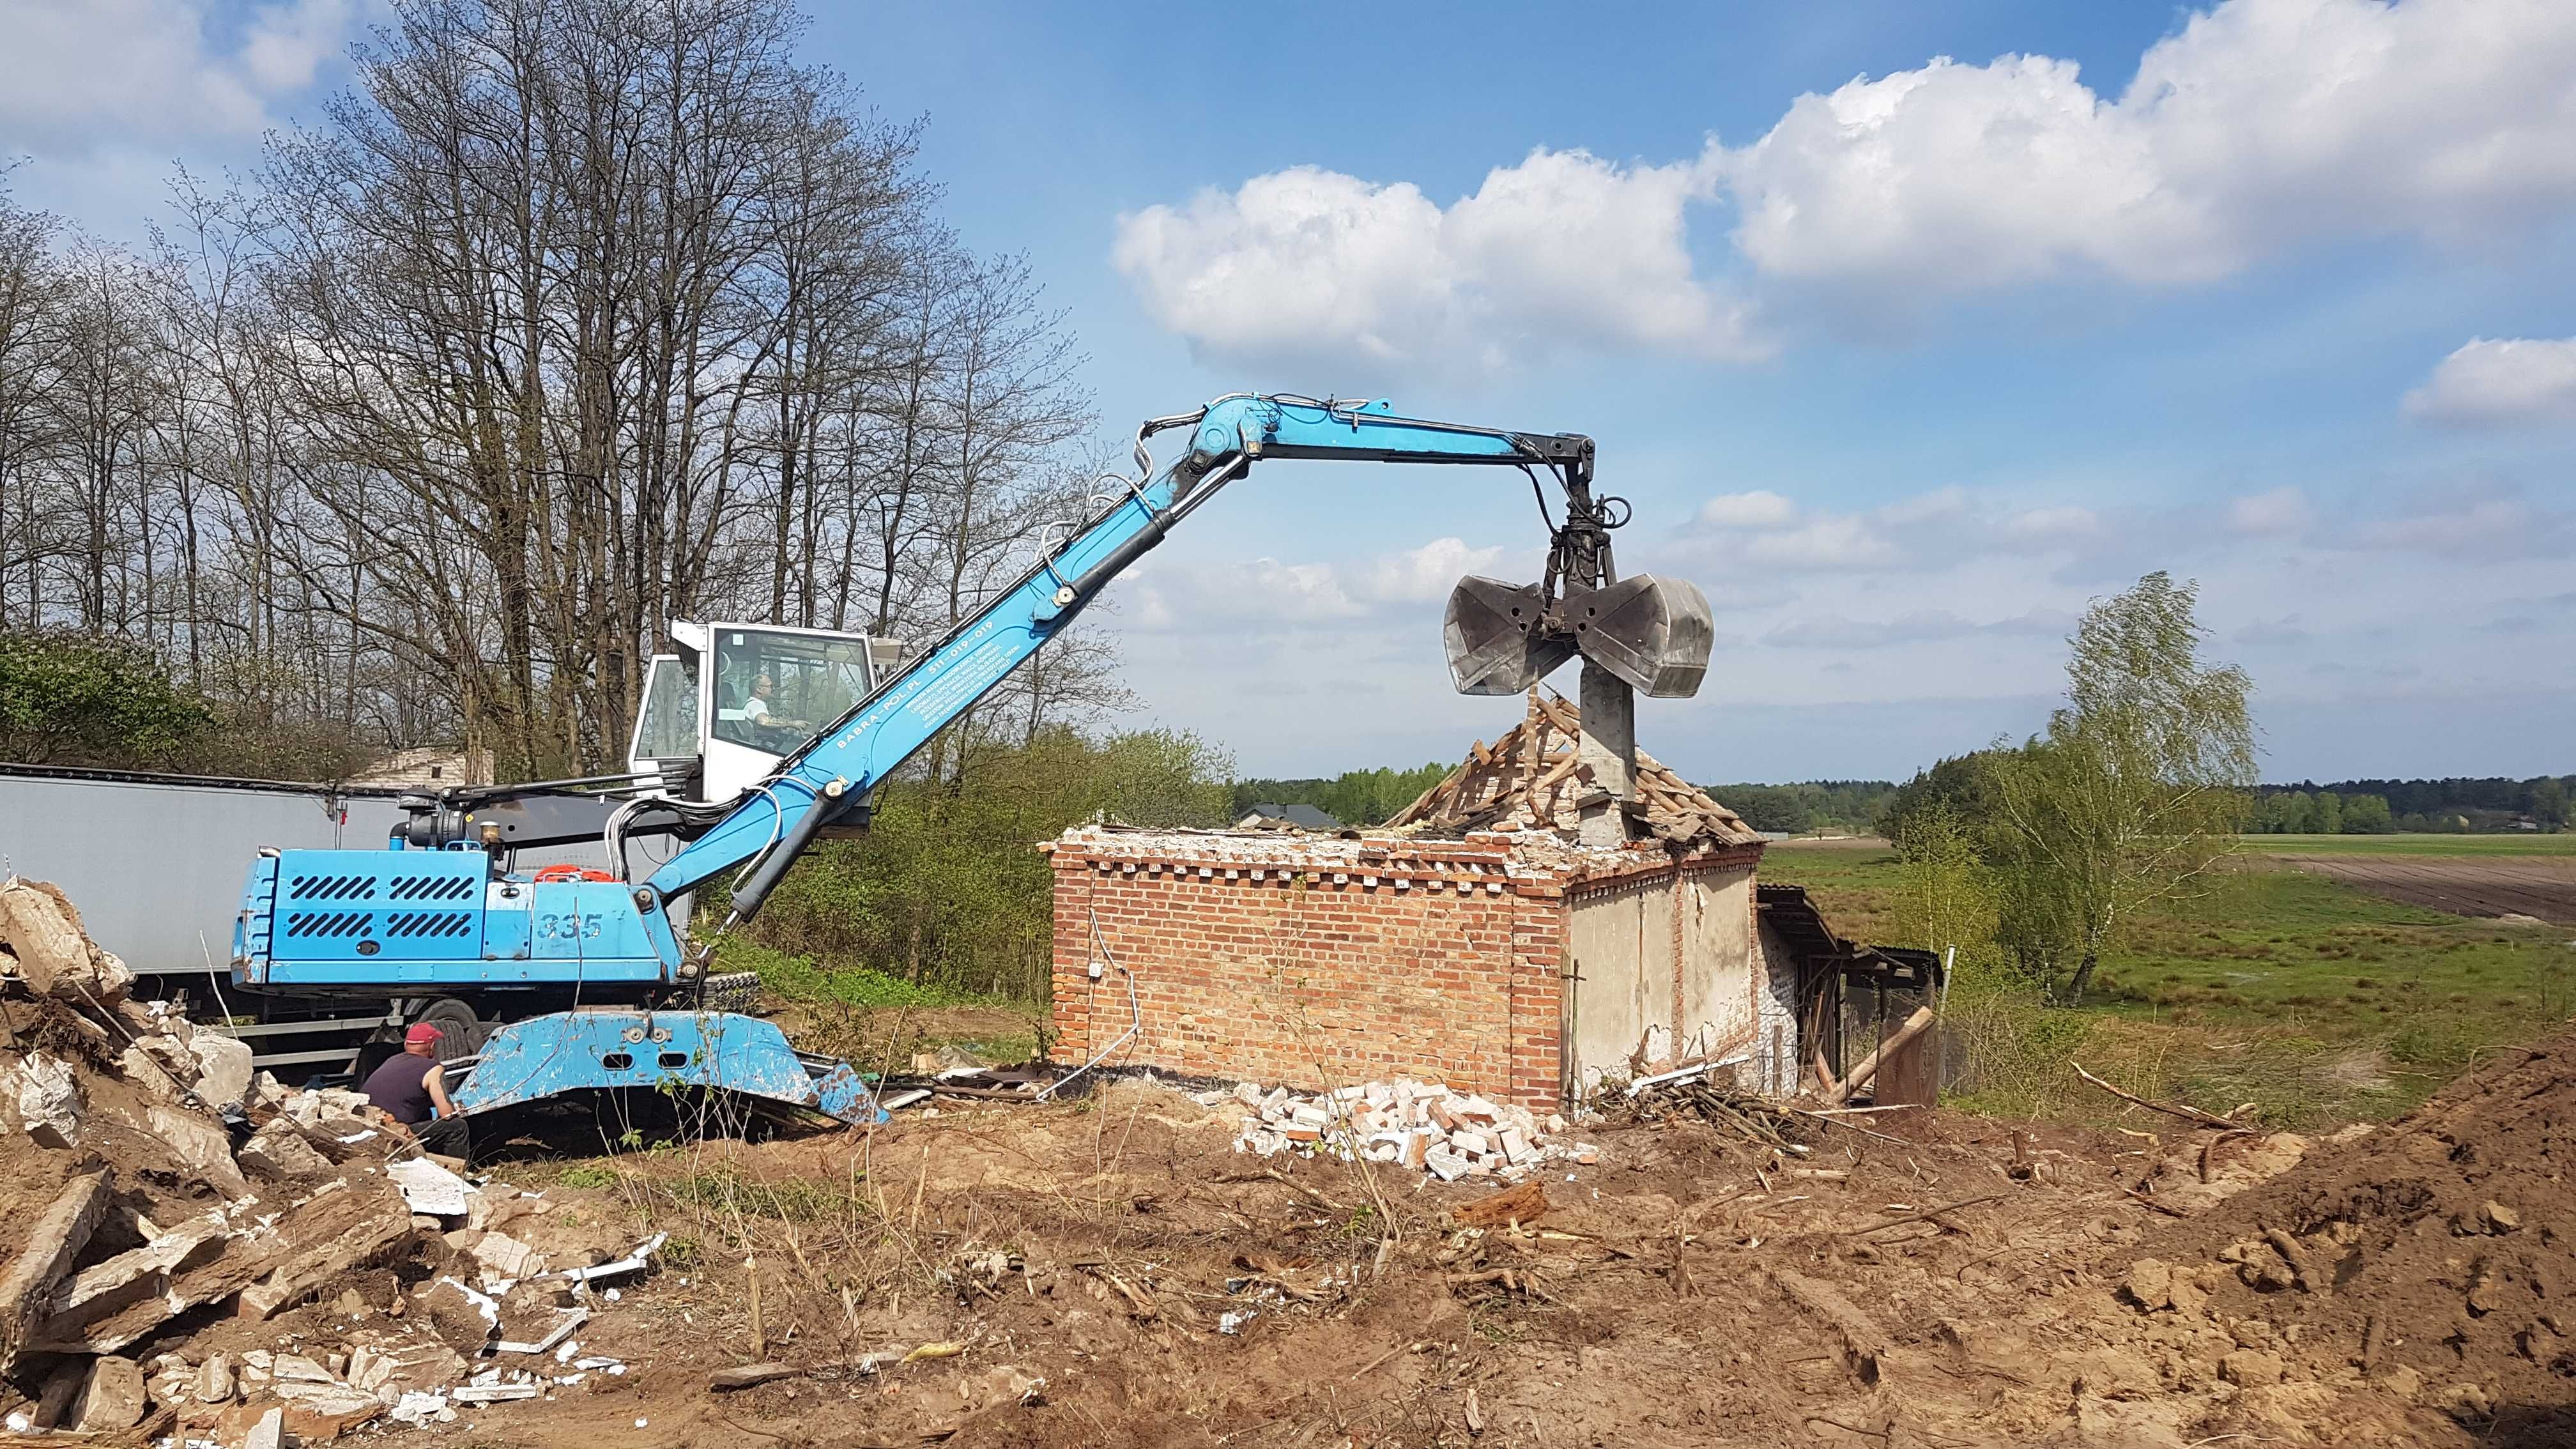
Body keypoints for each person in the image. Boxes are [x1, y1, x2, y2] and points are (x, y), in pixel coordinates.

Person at [361, 1022, 468, 1156]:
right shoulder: (433, 1068)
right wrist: (456, 1108)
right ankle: (455, 1173)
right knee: (458, 1127)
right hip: (396, 1130)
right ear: (432, 1046)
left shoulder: (392, 1060)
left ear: (407, 1045)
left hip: (370, 1125)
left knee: (426, 1114)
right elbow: (446, 1115)